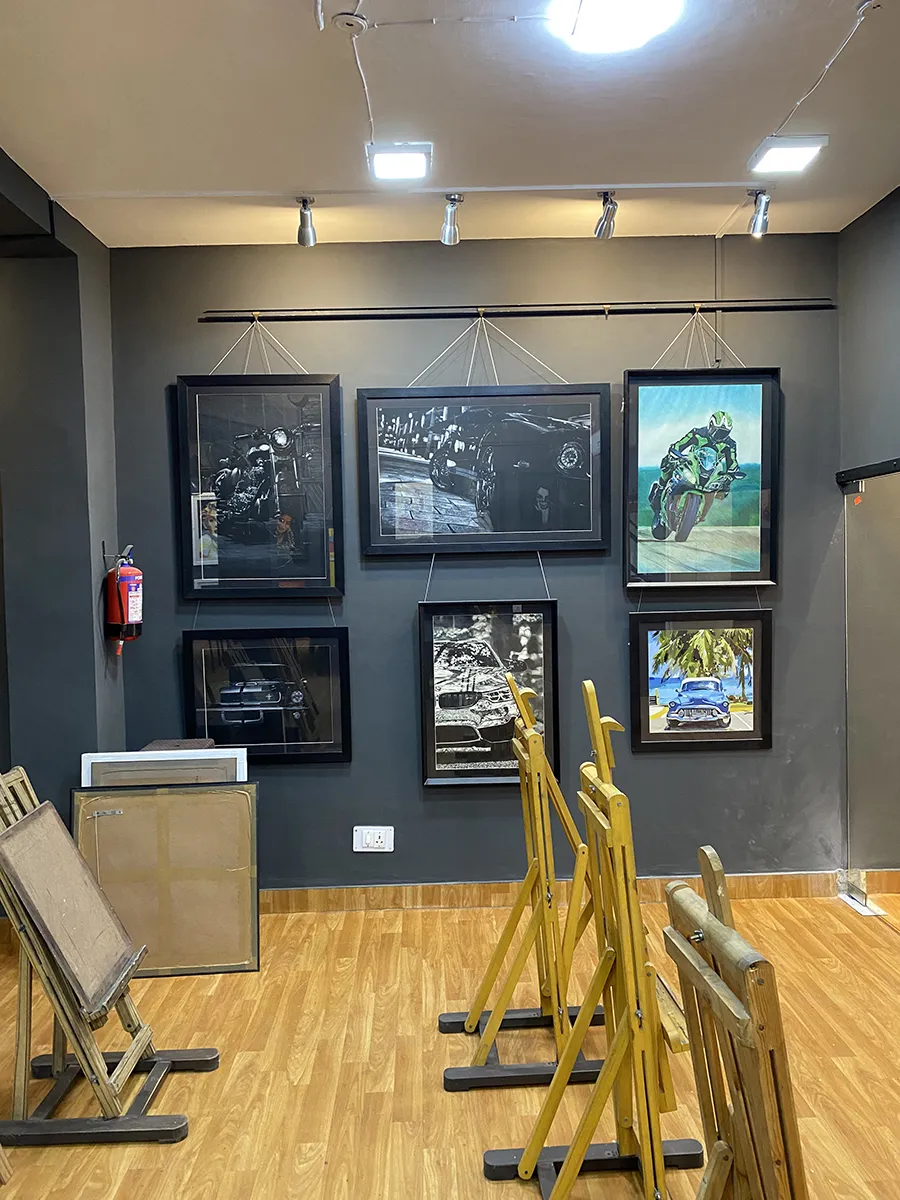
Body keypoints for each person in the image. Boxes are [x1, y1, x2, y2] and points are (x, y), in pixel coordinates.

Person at [648, 411, 740, 532]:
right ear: (710, 426)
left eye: (724, 432)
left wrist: (732, 472)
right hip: (692, 463)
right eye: (717, 431)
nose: (719, 435)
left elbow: (732, 461)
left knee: (721, 488)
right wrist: (675, 453)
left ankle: (700, 516)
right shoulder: (697, 433)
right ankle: (659, 490)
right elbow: (679, 444)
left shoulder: (730, 444)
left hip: (710, 470)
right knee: (668, 464)